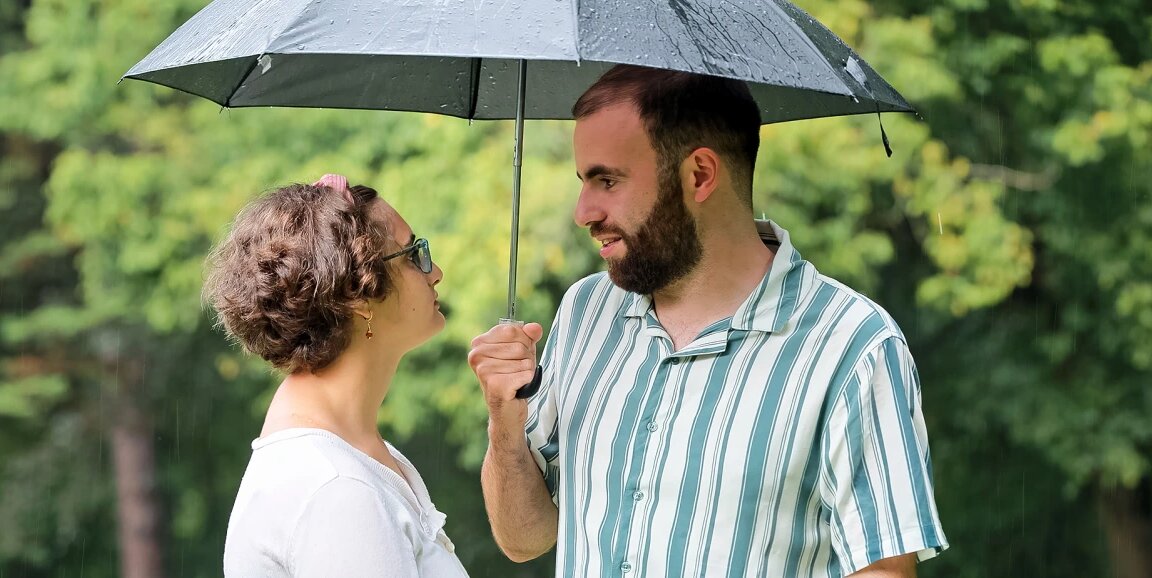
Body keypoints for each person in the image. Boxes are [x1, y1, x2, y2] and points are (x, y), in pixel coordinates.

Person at [468, 65, 949, 578]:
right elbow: (524, 539)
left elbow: (883, 570)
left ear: (699, 174)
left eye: (607, 180)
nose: (583, 211)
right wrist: (504, 422)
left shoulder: (853, 345)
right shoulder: (586, 311)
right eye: (584, 182)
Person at [206, 174, 468, 577]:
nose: (436, 273)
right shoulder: (337, 488)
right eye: (414, 253)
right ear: (358, 295)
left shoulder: (351, 457)